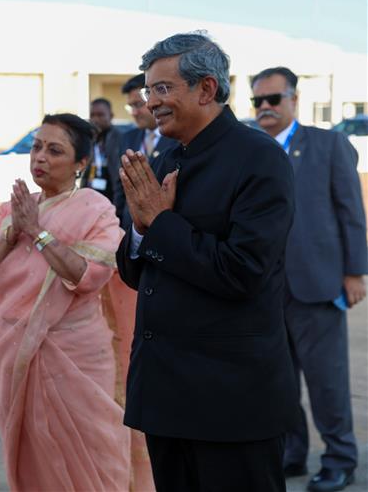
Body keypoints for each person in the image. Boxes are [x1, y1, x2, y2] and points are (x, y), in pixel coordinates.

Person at [116, 32, 297, 491]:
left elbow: (243, 271)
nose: (151, 102)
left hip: (230, 404)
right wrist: (141, 230)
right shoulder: (166, 158)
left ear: (206, 89)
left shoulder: (259, 158)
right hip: (165, 396)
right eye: (149, 90)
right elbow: (136, 272)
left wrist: (160, 223)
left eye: (163, 88)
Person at [0, 113, 132, 491]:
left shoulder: (96, 210)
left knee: (94, 458)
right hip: (12, 351)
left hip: (76, 356)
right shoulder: (13, 209)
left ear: (80, 163)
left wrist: (37, 232)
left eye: (55, 150)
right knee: (32, 457)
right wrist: (13, 233)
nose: (40, 157)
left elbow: (88, 277)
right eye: (37, 147)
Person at [252, 66, 367, 492]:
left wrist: (354, 272)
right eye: (258, 101)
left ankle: (340, 459)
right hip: (264, 289)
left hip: (317, 285)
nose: (265, 107)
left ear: (294, 100)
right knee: (278, 384)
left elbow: (351, 212)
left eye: (273, 99)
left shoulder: (327, 144)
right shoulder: (251, 148)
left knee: (327, 383)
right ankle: (293, 453)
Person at [117, 73, 178, 229]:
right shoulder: (128, 138)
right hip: (130, 228)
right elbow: (121, 188)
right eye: (130, 106)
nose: (134, 113)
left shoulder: (178, 138)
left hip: (163, 227)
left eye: (138, 104)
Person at [81, 98, 123, 204]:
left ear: (111, 116)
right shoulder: (90, 138)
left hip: (112, 197)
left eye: (100, 115)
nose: (95, 119)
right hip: (91, 196)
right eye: (92, 115)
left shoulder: (120, 138)